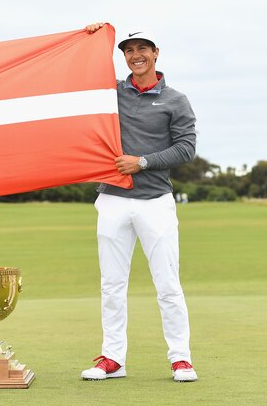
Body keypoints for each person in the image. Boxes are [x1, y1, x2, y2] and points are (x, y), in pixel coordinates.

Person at [80, 24, 198, 382]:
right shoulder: (110, 94)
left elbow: (186, 148)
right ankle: (113, 358)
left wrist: (142, 162)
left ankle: (181, 358)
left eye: (142, 48)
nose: (136, 55)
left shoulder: (175, 99)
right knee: (111, 284)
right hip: (112, 199)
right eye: (129, 50)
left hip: (155, 201)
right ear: (124, 56)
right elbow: (76, 84)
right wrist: (89, 38)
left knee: (168, 284)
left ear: (156, 52)